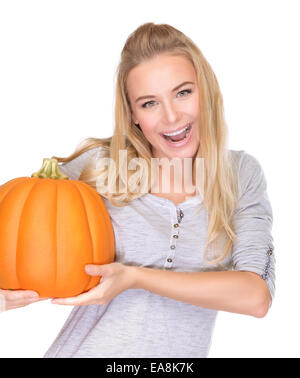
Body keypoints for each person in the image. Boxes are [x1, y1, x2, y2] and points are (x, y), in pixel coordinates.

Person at [0, 22, 275, 358]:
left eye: (183, 92)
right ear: (132, 114)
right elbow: (19, 224)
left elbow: (255, 297)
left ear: (206, 90)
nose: (172, 117)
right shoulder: (100, 166)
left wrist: (135, 277)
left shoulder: (241, 175)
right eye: (149, 103)